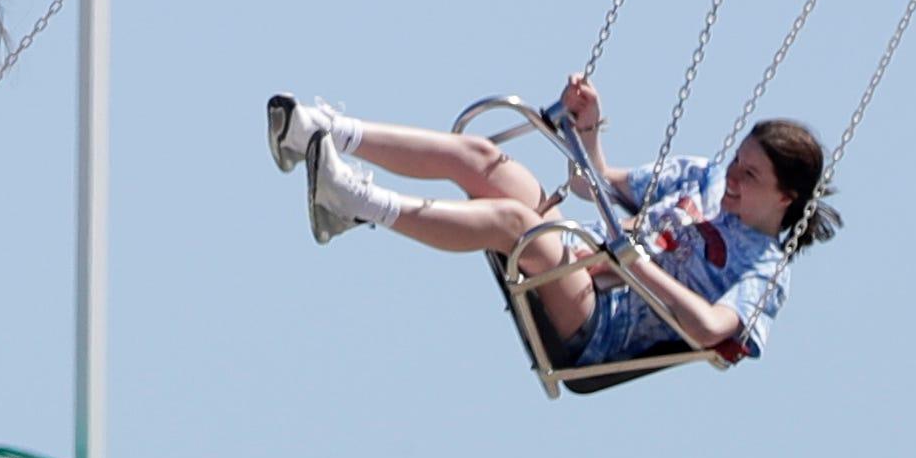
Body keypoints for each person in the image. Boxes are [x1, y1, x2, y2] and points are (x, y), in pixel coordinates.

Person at [272, 74, 838, 371]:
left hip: (603, 322)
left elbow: (717, 328)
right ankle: (323, 129)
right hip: (588, 262)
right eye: (737, 162)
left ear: (786, 197)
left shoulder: (765, 271)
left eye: (750, 177)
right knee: (481, 158)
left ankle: (361, 203)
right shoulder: (707, 180)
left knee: (519, 224)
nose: (732, 179)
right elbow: (606, 182)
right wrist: (587, 127)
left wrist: (642, 270)